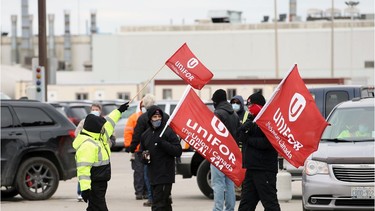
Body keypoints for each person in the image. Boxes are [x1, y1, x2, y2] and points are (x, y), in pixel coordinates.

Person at [73, 102, 129, 211]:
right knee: (100, 207)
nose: (103, 127)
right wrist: (85, 189)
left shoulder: (99, 136)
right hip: (95, 183)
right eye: (101, 126)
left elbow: (110, 122)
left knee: (94, 208)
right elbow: (83, 169)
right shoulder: (87, 145)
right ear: (95, 128)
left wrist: (119, 111)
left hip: (101, 181)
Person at [238, 92, 281, 211]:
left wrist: (248, 139)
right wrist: (246, 127)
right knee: (246, 204)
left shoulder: (269, 120)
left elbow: (267, 143)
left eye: (252, 105)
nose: (249, 108)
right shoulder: (252, 119)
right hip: (251, 168)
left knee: (270, 203)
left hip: (264, 169)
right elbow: (240, 134)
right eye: (248, 106)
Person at [140, 105, 182, 211]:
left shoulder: (167, 131)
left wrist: (163, 143)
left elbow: (178, 151)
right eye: (155, 117)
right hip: (153, 175)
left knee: (158, 205)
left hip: (165, 174)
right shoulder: (145, 135)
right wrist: (144, 157)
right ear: (150, 119)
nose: (157, 119)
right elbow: (141, 152)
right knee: (165, 204)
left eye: (159, 117)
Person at [210, 89, 241, 211]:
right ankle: (230, 209)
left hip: (219, 153)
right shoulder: (234, 114)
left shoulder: (218, 114)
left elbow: (213, 134)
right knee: (229, 184)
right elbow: (238, 135)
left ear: (216, 101)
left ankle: (217, 209)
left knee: (218, 183)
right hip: (231, 153)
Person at [124, 94, 156, 206]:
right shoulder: (135, 117)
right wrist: (130, 147)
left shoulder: (142, 118)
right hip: (146, 150)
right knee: (143, 172)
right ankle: (142, 192)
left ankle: (147, 193)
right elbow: (130, 133)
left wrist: (131, 147)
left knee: (145, 172)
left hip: (143, 150)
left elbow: (136, 135)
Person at [74, 103, 104, 202]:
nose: (95, 111)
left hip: (97, 154)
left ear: (100, 110)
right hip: (88, 149)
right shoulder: (85, 122)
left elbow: (109, 136)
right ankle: (81, 191)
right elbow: (77, 133)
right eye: (93, 109)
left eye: (96, 109)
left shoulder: (103, 122)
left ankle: (89, 192)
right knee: (84, 171)